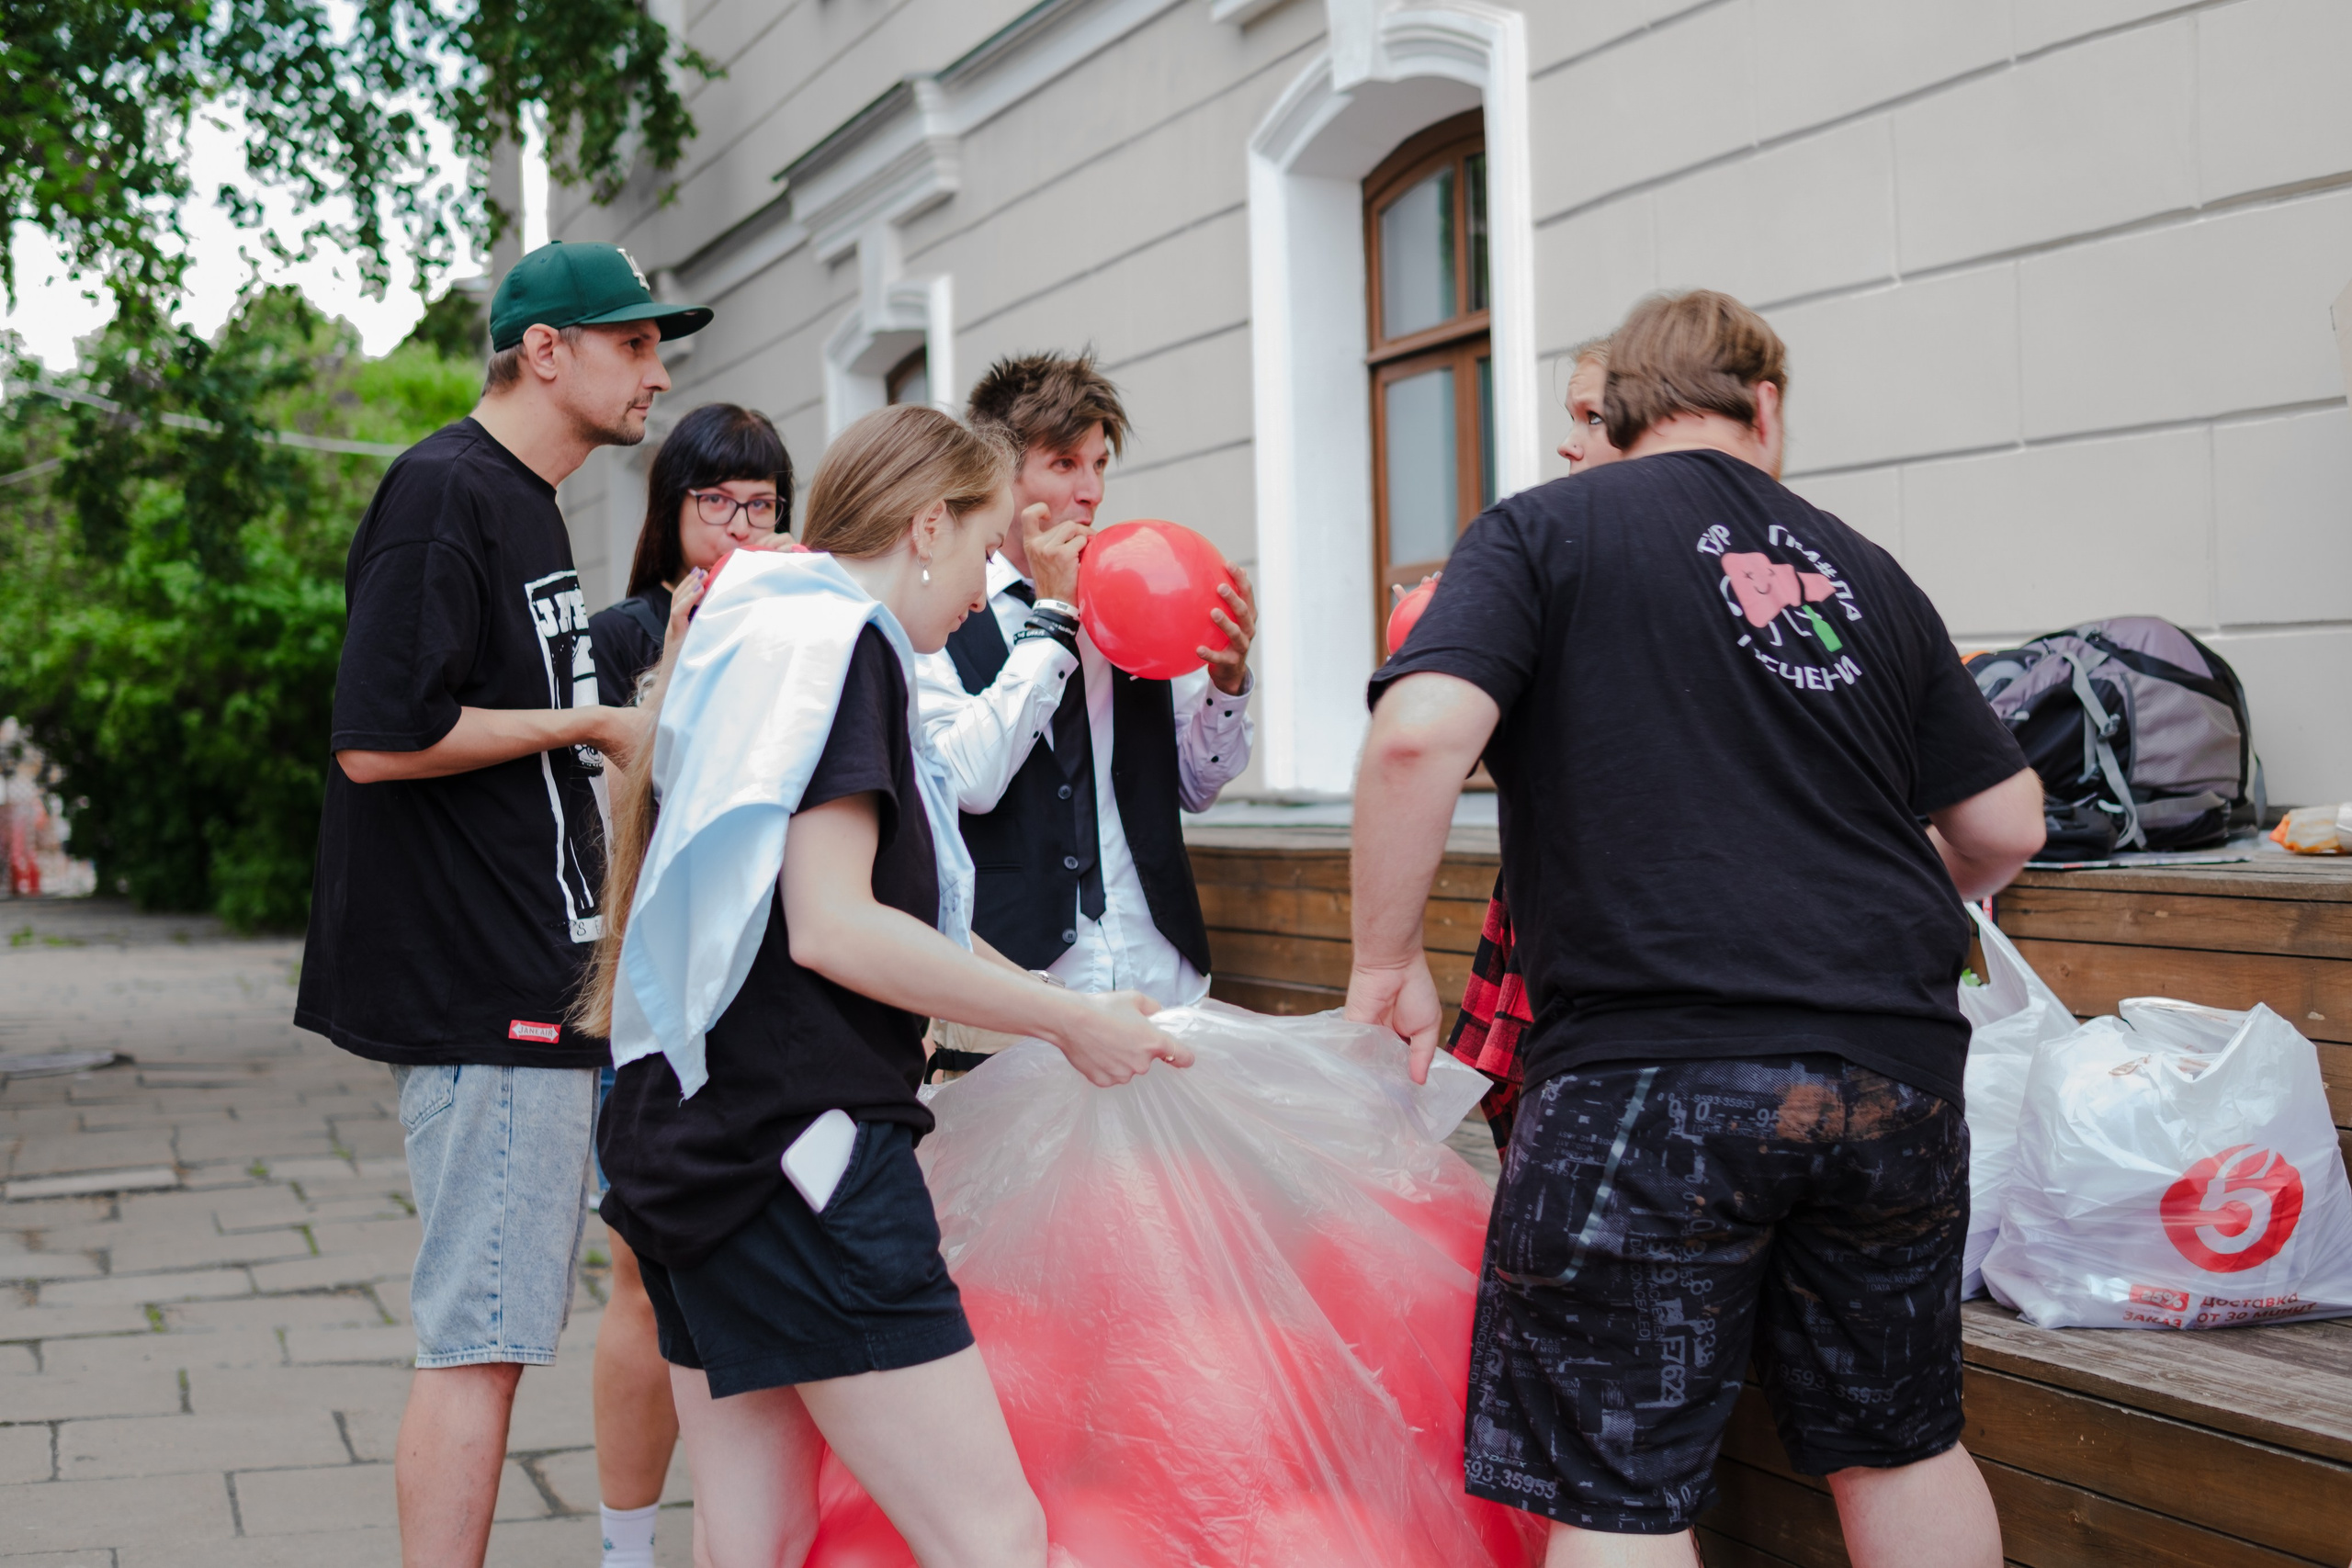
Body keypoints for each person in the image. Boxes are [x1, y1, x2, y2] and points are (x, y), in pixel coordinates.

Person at [1347, 290, 2045, 1567]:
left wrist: (1385, 963)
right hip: (1893, 1071)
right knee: (1896, 1441)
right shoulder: (1866, 569)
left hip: (1649, 1074)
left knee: (1620, 1485)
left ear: (1615, 407)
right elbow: (2008, 826)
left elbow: (1413, 736)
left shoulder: (1542, 531)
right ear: (1764, 404)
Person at [584, 404, 1193, 1568]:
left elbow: (877, 924)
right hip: (799, 1157)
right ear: (926, 526)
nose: (982, 589)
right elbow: (836, 928)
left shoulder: (759, 629)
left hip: (691, 1147)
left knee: (751, 1535)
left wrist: (1066, 1021)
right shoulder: (847, 646)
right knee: (995, 1537)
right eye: (980, 548)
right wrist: (1064, 1016)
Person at [293, 240, 711, 1568]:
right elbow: (377, 734)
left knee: (595, 1299)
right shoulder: (442, 491)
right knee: (480, 1341)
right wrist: (592, 717)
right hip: (484, 999)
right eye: (634, 341)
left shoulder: (532, 499)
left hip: (556, 976)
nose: (659, 367)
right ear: (547, 350)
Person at [584, 400, 792, 1568]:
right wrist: (683, 646)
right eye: (716, 500)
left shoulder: (806, 630)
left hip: (769, 990)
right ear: (670, 513)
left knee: (756, 1264)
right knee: (639, 1267)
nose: (739, 524)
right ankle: (625, 1544)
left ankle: (739, 1526)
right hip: (654, 988)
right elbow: (622, 809)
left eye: (763, 503)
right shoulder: (622, 633)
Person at [914, 353, 1256, 1032]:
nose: (1092, 490)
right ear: (1001, 478)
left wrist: (1226, 686)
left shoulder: (1139, 591)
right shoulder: (942, 611)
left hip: (1158, 963)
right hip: (1018, 987)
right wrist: (1054, 615)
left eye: (1100, 464)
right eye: (1066, 464)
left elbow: (1197, 785)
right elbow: (969, 782)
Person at [1444, 336, 1623, 1147]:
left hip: (1615, 924)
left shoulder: (1579, 554)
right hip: (1552, 889)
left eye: (1591, 416)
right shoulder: (1563, 549)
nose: (1567, 440)